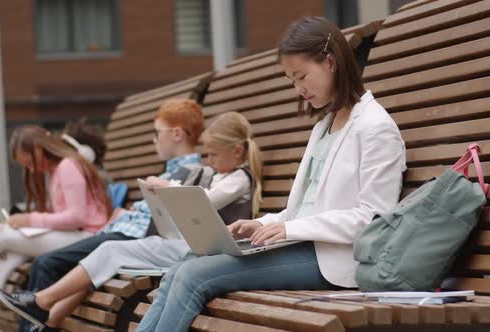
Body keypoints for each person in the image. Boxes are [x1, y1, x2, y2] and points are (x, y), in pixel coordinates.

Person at [135, 16, 408, 331]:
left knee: (192, 276)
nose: (298, 88)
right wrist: (262, 224)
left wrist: (290, 230)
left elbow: (375, 218)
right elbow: (304, 209)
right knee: (177, 270)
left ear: (330, 62)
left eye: (302, 76)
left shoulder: (375, 128)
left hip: (334, 260)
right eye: (292, 80)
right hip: (302, 247)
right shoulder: (325, 125)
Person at [0, 111, 264, 331]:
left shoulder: (240, 179)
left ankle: (42, 303)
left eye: (214, 154)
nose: (210, 160)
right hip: (191, 245)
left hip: (204, 251)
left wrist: (166, 186)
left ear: (238, 151)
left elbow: (205, 202)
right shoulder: (218, 174)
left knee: (111, 251)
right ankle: (42, 303)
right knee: (110, 250)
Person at [16, 99, 205, 331]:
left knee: (46, 264)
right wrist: (131, 212)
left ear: (177, 134)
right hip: (124, 232)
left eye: (157, 133)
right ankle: (44, 319)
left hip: (132, 238)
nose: (153, 139)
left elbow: (178, 219)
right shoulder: (174, 170)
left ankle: (38, 313)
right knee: (51, 264)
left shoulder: (191, 174)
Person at [0, 125, 112, 332]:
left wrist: (29, 219)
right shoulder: (58, 169)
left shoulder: (68, 166)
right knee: (2, 259)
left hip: (86, 238)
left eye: (29, 162)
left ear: (38, 147)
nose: (32, 170)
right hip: (75, 235)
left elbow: (76, 217)